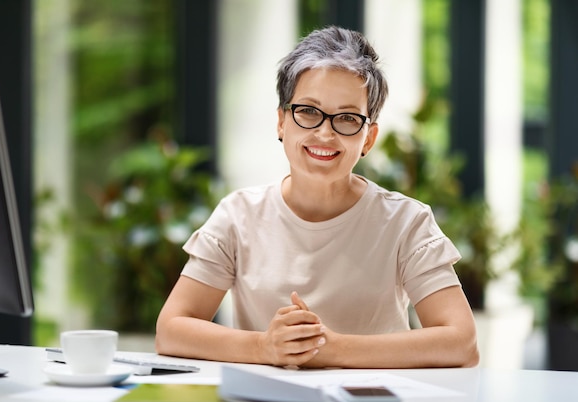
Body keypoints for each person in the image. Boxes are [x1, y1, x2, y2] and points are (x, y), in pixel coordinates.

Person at [156, 26, 479, 369]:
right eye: (308, 112)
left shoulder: (405, 222)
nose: (325, 133)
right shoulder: (238, 215)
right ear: (282, 123)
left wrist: (331, 348)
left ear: (368, 139)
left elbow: (461, 342)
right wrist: (263, 347)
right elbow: (171, 331)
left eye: (347, 118)